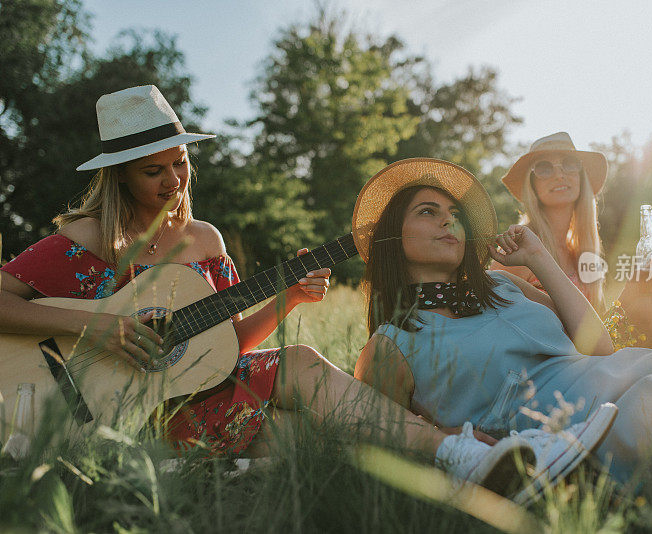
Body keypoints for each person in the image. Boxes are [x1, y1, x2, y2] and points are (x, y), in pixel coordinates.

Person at [0, 85, 543, 496]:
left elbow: (225, 346)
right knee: (310, 406)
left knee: (313, 408)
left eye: (180, 163)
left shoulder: (203, 239)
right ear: (119, 176)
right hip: (125, 411)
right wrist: (92, 324)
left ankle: (466, 455)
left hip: (209, 391)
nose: (174, 181)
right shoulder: (83, 242)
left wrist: (288, 300)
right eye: (153, 171)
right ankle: (465, 450)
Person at [352, 157, 652, 485]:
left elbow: (598, 346)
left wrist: (537, 258)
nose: (449, 223)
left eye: (455, 215)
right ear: (392, 236)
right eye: (428, 212)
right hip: (595, 429)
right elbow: (387, 442)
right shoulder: (392, 344)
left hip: (638, 371)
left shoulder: (502, 286)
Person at [492, 132, 652, 349]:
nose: (559, 175)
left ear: (581, 178)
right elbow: (498, 326)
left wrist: (631, 292)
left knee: (647, 305)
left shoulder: (584, 252)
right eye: (544, 168)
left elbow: (600, 331)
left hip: (589, 359)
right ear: (532, 184)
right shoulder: (519, 247)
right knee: (649, 310)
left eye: (569, 164)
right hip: (552, 364)